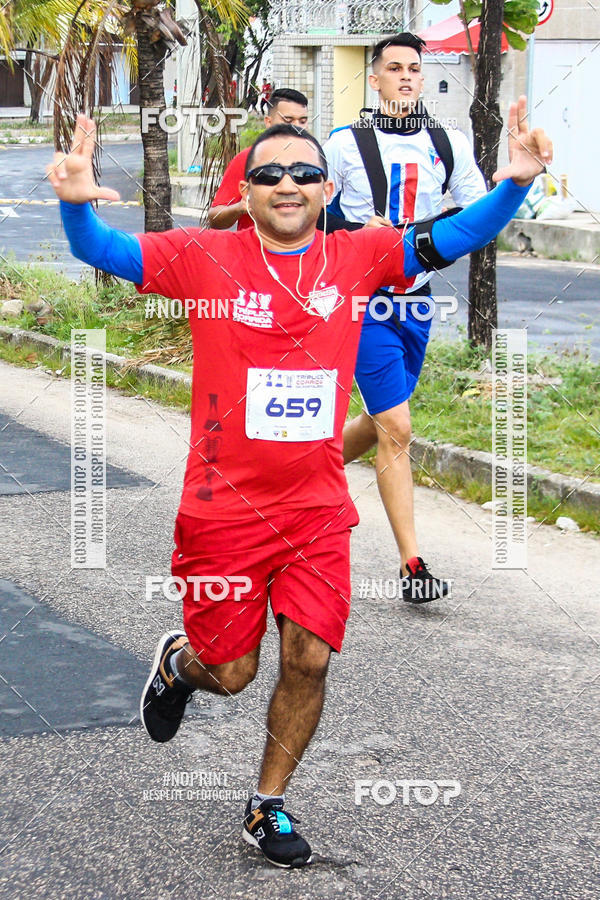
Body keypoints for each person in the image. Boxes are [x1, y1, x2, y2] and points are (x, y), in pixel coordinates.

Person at [47, 102, 550, 868]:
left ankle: (266, 805)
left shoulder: (361, 257)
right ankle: (181, 663)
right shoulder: (204, 257)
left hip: (316, 509)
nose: (287, 183)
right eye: (269, 173)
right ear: (244, 191)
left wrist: (513, 183)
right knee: (232, 671)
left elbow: (453, 235)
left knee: (309, 659)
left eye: (305, 172)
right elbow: (107, 250)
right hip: (223, 511)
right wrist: (74, 200)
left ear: (326, 188)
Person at [324, 33, 487, 602]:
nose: (405, 77)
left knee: (382, 423)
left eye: (414, 69)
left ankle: (298, 468)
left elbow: (475, 209)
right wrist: (355, 233)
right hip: (361, 301)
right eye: (393, 68)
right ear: (374, 78)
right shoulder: (344, 143)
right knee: (398, 428)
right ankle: (412, 563)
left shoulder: (450, 141)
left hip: (415, 301)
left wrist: (427, 234)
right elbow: (313, 217)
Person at [208, 87, 309, 231]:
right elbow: (214, 219)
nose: (297, 127)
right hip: (253, 251)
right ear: (268, 122)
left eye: (302, 121)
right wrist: (240, 207)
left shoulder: (314, 160)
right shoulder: (248, 159)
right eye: (288, 120)